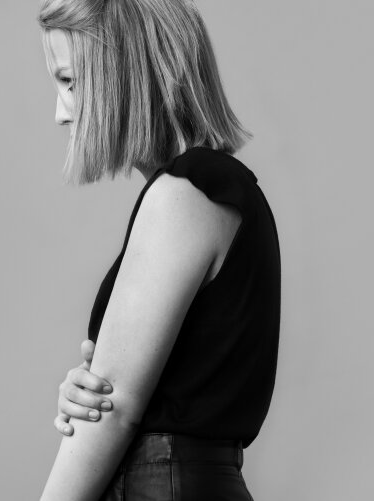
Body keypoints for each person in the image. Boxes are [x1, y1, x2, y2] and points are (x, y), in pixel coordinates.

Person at [37, 1, 281, 500]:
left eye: (69, 82)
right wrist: (88, 387)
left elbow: (116, 410)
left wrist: (103, 403)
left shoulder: (187, 193)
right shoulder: (213, 191)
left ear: (123, 71)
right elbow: (138, 395)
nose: (61, 113)